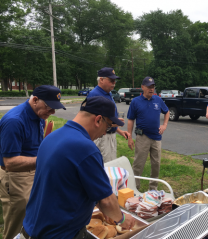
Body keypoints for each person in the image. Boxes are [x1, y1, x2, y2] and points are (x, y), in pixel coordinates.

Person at [22, 96, 135, 239]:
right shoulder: (86, 148)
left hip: (31, 228)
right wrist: (123, 219)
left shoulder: (52, 137)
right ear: (98, 119)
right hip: (58, 234)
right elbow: (105, 200)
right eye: (107, 126)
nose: (105, 132)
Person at [0, 85, 66, 239]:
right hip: (16, 177)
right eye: (50, 107)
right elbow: (10, 162)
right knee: (16, 225)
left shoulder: (39, 116)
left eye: (55, 108)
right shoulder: (14, 121)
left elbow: (35, 145)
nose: (53, 112)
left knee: (33, 220)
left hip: (34, 172)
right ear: (35, 100)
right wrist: (45, 158)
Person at [127, 77, 170, 190]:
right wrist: (130, 137)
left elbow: (167, 111)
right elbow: (131, 120)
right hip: (142, 137)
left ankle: (153, 188)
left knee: (156, 164)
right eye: (149, 87)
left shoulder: (158, 100)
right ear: (142, 87)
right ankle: (134, 187)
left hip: (156, 137)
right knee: (138, 163)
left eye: (153, 87)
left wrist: (164, 125)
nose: (151, 89)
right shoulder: (136, 101)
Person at [88, 67, 130, 162]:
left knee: (111, 164)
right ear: (101, 79)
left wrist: (119, 130)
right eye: (111, 80)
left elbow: (108, 117)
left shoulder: (108, 93)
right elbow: (92, 121)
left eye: (115, 80)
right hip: (101, 137)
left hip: (111, 135)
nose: (114, 83)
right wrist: (110, 124)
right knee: (105, 167)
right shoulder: (95, 95)